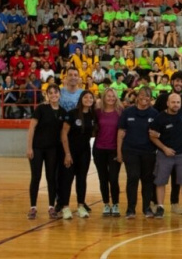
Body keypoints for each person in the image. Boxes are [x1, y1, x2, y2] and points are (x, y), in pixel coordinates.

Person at [117, 86, 161, 219]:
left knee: (147, 180)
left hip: (148, 152)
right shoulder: (128, 112)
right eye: (141, 95)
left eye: (147, 96)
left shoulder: (154, 114)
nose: (144, 98)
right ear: (137, 96)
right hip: (130, 151)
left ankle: (147, 208)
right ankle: (130, 209)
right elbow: (121, 132)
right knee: (133, 177)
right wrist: (119, 152)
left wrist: (157, 134)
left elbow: (159, 133)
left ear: (150, 98)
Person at [153, 71, 182, 214]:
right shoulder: (162, 97)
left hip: (180, 147)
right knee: (159, 176)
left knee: (178, 177)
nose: (179, 84)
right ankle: (156, 203)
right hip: (162, 145)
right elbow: (154, 116)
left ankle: (175, 202)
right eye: (177, 81)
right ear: (172, 82)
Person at [57, 90, 96, 220]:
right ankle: (65, 207)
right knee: (67, 179)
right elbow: (64, 134)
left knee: (81, 179)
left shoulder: (93, 115)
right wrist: (67, 153)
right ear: (81, 99)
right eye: (86, 97)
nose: (88, 99)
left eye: (91, 97)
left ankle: (80, 206)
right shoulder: (72, 113)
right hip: (70, 151)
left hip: (84, 151)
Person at [25, 84, 62, 219]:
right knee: (36, 177)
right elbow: (31, 128)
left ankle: (51, 207)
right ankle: (33, 207)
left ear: (59, 94)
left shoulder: (62, 111)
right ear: (47, 94)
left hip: (52, 149)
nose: (53, 95)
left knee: (51, 177)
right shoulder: (41, 108)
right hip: (37, 148)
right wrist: (29, 147)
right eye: (50, 93)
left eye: (56, 92)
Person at [94, 87, 123, 217]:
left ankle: (116, 204)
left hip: (114, 150)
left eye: (113, 96)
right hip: (99, 149)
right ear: (104, 98)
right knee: (103, 178)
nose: (111, 98)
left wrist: (120, 151)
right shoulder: (98, 112)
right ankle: (106, 204)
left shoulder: (121, 112)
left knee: (113, 178)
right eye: (108, 96)